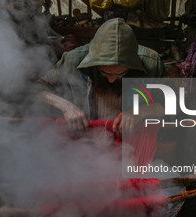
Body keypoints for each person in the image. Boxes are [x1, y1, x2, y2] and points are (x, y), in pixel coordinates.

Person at [34, 18, 166, 135]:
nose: (111, 79)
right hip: (87, 140)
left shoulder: (151, 64)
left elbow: (171, 105)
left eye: (121, 74)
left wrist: (139, 112)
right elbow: (36, 89)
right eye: (104, 72)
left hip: (132, 140)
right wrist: (67, 107)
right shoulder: (73, 60)